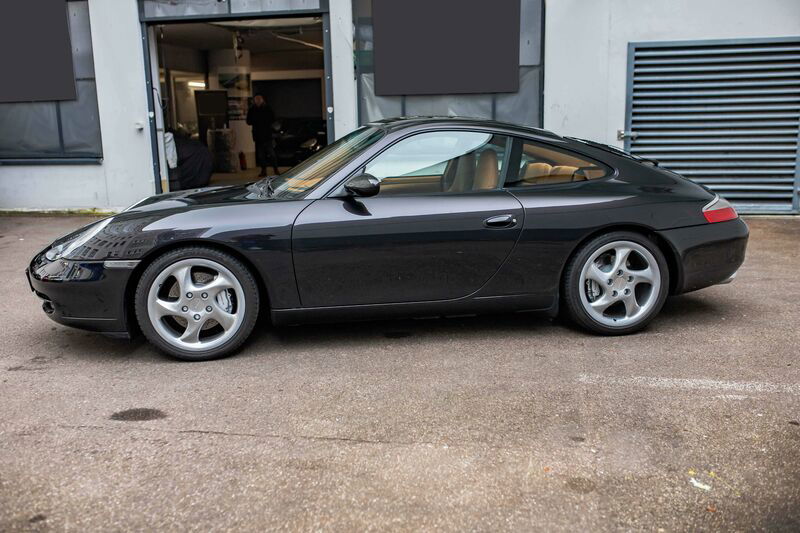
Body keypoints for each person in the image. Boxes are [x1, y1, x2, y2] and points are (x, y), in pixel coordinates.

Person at [246, 94, 280, 177]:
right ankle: (263, 170)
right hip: (258, 135)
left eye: (259, 99)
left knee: (271, 154)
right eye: (256, 99)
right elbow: (248, 121)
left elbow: (273, 119)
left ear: (262, 100)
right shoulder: (252, 109)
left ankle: (275, 169)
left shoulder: (267, 109)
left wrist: (263, 121)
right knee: (261, 155)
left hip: (266, 135)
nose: (257, 101)